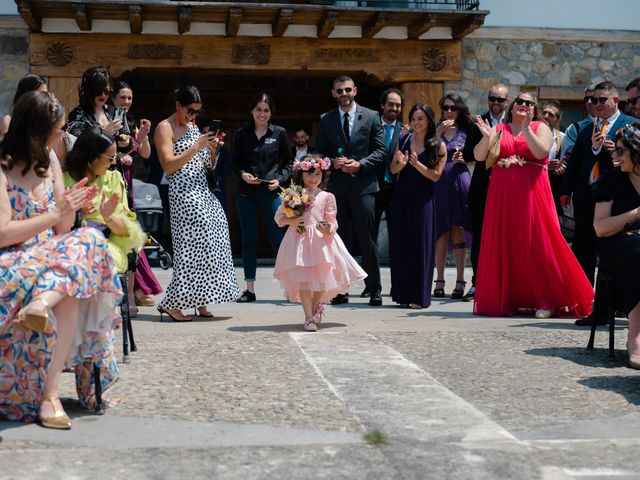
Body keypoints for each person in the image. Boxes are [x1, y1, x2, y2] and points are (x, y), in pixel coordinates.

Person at [0, 91, 122, 428]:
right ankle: (49, 396)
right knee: (70, 284)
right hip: (12, 259)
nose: (61, 136)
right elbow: (4, 233)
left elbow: (62, 228)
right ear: (37, 131)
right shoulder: (1, 167)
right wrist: (57, 211)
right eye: (57, 129)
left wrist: (70, 207)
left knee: (88, 237)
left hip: (50, 255)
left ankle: (41, 305)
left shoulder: (50, 161)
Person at [473, 92, 594, 318]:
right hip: (502, 196)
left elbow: (540, 152)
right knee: (507, 243)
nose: (524, 105)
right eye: (520, 101)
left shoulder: (541, 127)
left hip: (532, 194)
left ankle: (545, 300)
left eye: (529, 103)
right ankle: (508, 298)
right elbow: (480, 157)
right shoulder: (500, 129)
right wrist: (486, 136)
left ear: (533, 107)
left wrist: (527, 128)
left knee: (538, 244)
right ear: (512, 106)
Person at [154, 86, 240, 321]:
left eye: (198, 112)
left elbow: (206, 165)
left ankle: (200, 298)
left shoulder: (191, 126)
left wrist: (212, 152)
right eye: (190, 111)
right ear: (178, 106)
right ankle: (173, 302)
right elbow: (169, 165)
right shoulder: (164, 127)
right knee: (191, 248)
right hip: (184, 192)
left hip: (202, 188)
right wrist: (195, 147)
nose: (193, 116)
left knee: (216, 236)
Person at [315, 75, 386, 306]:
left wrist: (360, 164)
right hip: (337, 189)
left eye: (347, 89)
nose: (343, 94)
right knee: (338, 240)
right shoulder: (325, 119)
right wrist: (331, 161)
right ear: (333, 94)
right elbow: (319, 153)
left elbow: (381, 151)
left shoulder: (373, 116)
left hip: (364, 186)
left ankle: (374, 288)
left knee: (368, 239)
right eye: (339, 91)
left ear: (355, 90)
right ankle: (341, 290)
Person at [273, 154, 366, 331]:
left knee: (323, 281)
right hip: (300, 241)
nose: (313, 179)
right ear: (301, 175)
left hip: (321, 242)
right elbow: (279, 216)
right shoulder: (294, 193)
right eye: (309, 175)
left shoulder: (327, 196)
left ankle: (316, 306)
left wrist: (328, 228)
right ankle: (308, 317)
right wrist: (290, 221)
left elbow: (333, 222)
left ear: (323, 175)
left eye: (317, 174)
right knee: (304, 281)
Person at [63, 126, 147, 283]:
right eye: (110, 157)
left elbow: (126, 231)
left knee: (94, 258)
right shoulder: (62, 181)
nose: (114, 161)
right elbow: (54, 225)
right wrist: (80, 214)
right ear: (93, 159)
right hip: (70, 243)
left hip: (107, 245)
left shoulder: (113, 178)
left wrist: (107, 217)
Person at [231, 92, 293, 303]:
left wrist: (280, 180)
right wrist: (242, 174)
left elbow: (288, 164)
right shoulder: (241, 134)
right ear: (252, 111)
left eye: (266, 110)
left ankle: (290, 287)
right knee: (249, 240)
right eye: (258, 109)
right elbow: (235, 163)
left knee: (279, 238)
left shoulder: (280, 133)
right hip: (246, 193)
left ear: (271, 113)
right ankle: (249, 289)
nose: (262, 114)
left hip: (271, 192)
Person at [389, 103, 446, 309]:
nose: (416, 122)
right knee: (401, 245)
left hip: (423, 199)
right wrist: (401, 165)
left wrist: (417, 165)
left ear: (429, 120)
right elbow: (393, 169)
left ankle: (419, 296)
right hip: (402, 197)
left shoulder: (438, 145)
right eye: (413, 118)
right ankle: (403, 294)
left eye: (420, 118)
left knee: (420, 246)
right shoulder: (403, 139)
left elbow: (436, 176)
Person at [111, 81, 162, 310]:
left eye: (129, 98)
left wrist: (143, 136)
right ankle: (140, 288)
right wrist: (120, 158)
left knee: (131, 230)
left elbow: (145, 152)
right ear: (113, 98)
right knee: (125, 232)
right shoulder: (110, 121)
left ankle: (139, 289)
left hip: (128, 180)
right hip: (112, 178)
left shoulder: (129, 122)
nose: (126, 102)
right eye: (122, 97)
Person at [592, 123, 640, 368]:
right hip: (617, 246)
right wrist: (634, 214)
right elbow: (600, 227)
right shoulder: (611, 178)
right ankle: (636, 336)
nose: (615, 156)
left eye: (621, 151)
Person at [464, 83, 510, 302]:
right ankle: (477, 283)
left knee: (506, 237)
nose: (495, 103)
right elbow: (467, 155)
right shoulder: (477, 123)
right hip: (482, 187)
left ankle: (504, 283)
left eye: (500, 100)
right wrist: (486, 136)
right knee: (480, 236)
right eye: (492, 98)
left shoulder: (512, 123)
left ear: (507, 102)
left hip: (508, 188)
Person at [433, 93, 474, 299]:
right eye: (445, 107)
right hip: (439, 182)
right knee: (440, 231)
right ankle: (439, 279)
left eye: (453, 108)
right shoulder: (434, 130)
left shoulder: (467, 130)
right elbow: (425, 152)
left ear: (460, 110)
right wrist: (437, 133)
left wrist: (465, 157)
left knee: (459, 229)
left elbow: (478, 155)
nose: (449, 111)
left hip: (460, 180)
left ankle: (460, 280)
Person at [374, 88, 404, 261]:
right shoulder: (371, 127)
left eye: (398, 105)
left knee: (397, 233)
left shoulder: (405, 131)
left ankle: (397, 276)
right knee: (369, 232)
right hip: (372, 187)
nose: (394, 108)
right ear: (382, 105)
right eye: (391, 104)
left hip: (395, 188)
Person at [67, 66, 122, 139]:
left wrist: (126, 142)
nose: (103, 95)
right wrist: (105, 133)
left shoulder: (113, 111)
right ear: (89, 91)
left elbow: (124, 144)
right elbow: (78, 144)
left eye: (106, 91)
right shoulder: (77, 115)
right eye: (98, 91)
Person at [0, 74, 48, 144]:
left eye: (46, 94)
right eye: (40, 94)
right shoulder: (9, 122)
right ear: (26, 95)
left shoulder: (49, 121)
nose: (45, 98)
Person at [541, 100, 566, 217]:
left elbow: (566, 163)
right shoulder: (527, 133)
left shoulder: (562, 138)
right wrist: (544, 167)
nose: (546, 116)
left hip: (550, 191)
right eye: (544, 112)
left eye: (551, 114)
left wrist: (561, 168)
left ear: (557, 119)